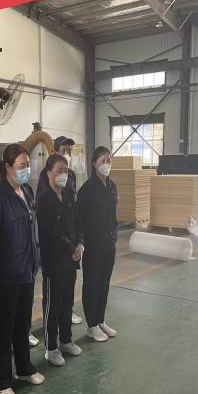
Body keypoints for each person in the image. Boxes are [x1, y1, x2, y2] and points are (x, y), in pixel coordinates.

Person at [0, 144, 44, 394]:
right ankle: (1, 382)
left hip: (26, 269)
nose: (26, 169)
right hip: (5, 274)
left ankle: (24, 368)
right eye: (21, 166)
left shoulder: (26, 191)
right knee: (2, 328)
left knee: (22, 323)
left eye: (27, 165)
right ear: (7, 167)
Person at [36, 154, 84, 366]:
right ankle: (51, 348)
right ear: (49, 173)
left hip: (71, 260)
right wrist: (71, 247)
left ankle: (66, 340)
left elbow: (78, 223)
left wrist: (81, 244)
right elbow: (50, 232)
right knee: (52, 306)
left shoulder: (69, 196)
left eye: (66, 170)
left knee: (67, 303)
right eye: (59, 171)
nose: (63, 174)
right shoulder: (43, 199)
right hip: (53, 261)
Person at [76, 146, 118, 342]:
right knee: (92, 284)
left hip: (109, 245)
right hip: (93, 246)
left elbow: (113, 216)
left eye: (108, 160)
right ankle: (91, 325)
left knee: (104, 284)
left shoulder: (112, 186)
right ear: (94, 164)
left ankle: (100, 320)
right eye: (102, 160)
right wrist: (82, 242)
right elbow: (80, 219)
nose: (106, 164)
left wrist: (114, 237)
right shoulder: (87, 190)